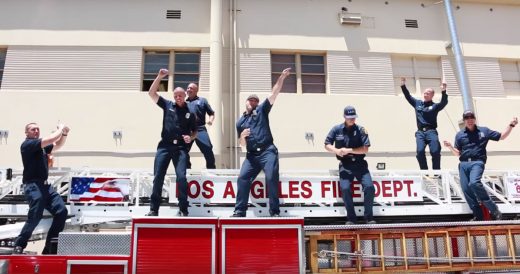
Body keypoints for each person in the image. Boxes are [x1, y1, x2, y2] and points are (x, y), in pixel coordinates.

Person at [231, 68, 291, 217]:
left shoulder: (262, 111)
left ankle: (274, 211)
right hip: (251, 156)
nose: (253, 102)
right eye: (251, 100)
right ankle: (239, 211)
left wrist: (282, 77)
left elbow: (274, 93)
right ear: (245, 103)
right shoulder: (240, 122)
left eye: (255, 101)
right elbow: (241, 144)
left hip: (267, 151)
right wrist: (242, 137)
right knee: (242, 178)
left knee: (271, 177)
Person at [444, 111, 518, 221]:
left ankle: (494, 209)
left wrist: (511, 125)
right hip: (463, 164)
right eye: (467, 118)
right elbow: (458, 153)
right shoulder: (459, 135)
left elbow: (502, 136)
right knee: (466, 189)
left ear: (474, 119)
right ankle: (479, 216)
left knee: (474, 183)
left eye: (471, 117)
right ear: (464, 120)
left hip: (477, 162)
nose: (469, 120)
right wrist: (450, 147)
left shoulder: (484, 131)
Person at [146, 69, 197, 217]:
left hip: (180, 148)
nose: (178, 98)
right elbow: (151, 93)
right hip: (164, 146)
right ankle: (154, 209)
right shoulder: (167, 105)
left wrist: (191, 138)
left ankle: (183, 208)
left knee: (181, 177)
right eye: (175, 96)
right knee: (158, 177)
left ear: (185, 95)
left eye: (180, 95)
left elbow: (195, 131)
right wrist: (159, 77)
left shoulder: (190, 112)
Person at [13, 123, 70, 254]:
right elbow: (51, 139)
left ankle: (50, 247)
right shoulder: (27, 145)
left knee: (61, 211)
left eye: (38, 129)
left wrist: (65, 134)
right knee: (35, 214)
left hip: (45, 186)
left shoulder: (42, 147)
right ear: (26, 133)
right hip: (32, 185)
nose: (36, 131)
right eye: (33, 129)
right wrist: (60, 129)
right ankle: (20, 244)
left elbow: (57, 145)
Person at [325, 106, 376, 225]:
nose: (352, 120)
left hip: (360, 165)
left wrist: (349, 150)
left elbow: (365, 149)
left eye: (353, 117)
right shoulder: (336, 129)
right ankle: (351, 218)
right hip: (345, 165)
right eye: (349, 117)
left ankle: (368, 217)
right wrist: (336, 151)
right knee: (345, 188)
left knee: (369, 187)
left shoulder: (361, 130)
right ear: (344, 117)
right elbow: (327, 144)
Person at [401, 78, 448, 170]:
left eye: (428, 93)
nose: (425, 94)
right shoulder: (417, 103)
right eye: (425, 93)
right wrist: (403, 85)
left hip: (431, 131)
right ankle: (424, 172)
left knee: (435, 151)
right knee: (420, 151)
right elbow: (408, 96)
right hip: (420, 133)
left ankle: (436, 173)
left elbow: (443, 102)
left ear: (432, 95)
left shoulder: (435, 106)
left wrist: (443, 91)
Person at [186, 83, 216, 169]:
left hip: (200, 129)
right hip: (188, 130)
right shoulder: (184, 103)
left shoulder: (202, 100)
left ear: (196, 90)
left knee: (208, 149)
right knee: (183, 151)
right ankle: (187, 170)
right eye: (188, 88)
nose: (188, 89)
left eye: (191, 88)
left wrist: (210, 120)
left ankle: (211, 170)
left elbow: (211, 113)